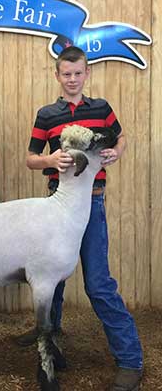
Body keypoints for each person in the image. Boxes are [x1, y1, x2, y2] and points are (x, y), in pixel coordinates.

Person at [18, 46, 143, 391]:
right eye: (66, 74)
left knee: (98, 284)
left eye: (78, 73)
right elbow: (30, 158)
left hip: (92, 204)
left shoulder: (101, 109)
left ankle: (130, 360)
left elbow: (121, 138)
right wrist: (49, 160)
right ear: (57, 76)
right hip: (56, 206)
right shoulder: (47, 115)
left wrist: (115, 152)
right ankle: (52, 344)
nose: (72, 79)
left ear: (86, 74)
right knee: (52, 282)